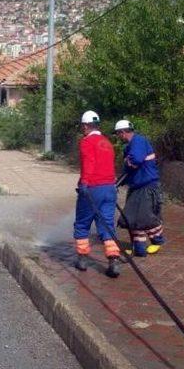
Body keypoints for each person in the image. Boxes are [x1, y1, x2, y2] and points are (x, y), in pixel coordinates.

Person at [73, 110, 121, 278]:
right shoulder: (106, 142)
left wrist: (84, 183)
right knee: (107, 224)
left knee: (82, 223)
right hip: (110, 188)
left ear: (86, 126)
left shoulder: (87, 142)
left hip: (93, 188)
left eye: (82, 126)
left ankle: (82, 259)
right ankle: (113, 260)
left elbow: (89, 163)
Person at [114, 119, 165, 257]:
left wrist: (126, 161)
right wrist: (118, 182)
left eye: (118, 134)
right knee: (133, 218)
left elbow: (135, 161)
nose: (118, 137)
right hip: (137, 187)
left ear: (123, 132)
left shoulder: (138, 142)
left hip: (146, 187)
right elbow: (129, 171)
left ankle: (157, 241)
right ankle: (139, 248)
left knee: (144, 218)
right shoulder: (129, 146)